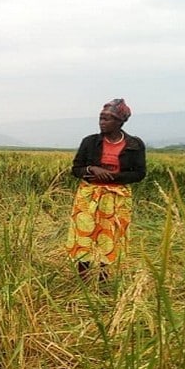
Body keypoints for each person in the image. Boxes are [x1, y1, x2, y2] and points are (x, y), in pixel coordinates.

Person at [66, 98, 146, 282]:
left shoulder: (134, 145)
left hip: (116, 198)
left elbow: (140, 173)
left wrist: (114, 177)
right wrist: (92, 170)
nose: (102, 122)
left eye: (107, 119)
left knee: (110, 237)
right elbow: (76, 169)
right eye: (101, 118)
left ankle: (103, 279)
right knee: (83, 236)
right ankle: (82, 279)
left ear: (120, 121)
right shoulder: (90, 142)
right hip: (89, 195)